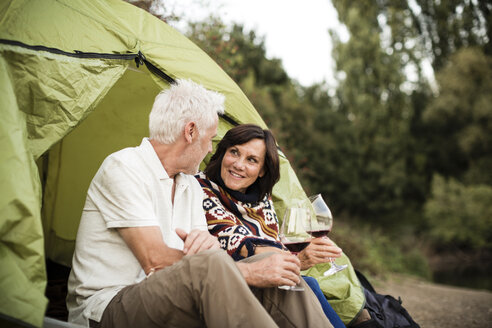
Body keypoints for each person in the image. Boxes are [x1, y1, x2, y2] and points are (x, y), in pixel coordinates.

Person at [67, 80, 332, 328]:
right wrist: (246, 273)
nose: (209, 149)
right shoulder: (124, 167)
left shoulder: (190, 185)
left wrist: (220, 251)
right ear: (191, 131)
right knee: (228, 269)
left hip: (174, 296)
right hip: (108, 307)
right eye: (210, 138)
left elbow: (206, 255)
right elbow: (155, 261)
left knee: (275, 270)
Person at [195, 124, 348, 328]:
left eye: (251, 160)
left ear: (262, 170)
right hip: (223, 283)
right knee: (304, 285)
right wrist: (297, 258)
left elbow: (274, 245)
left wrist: (295, 259)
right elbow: (235, 239)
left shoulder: (261, 200)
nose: (239, 164)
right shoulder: (201, 188)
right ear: (222, 153)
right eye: (234, 152)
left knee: (308, 284)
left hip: (259, 285)